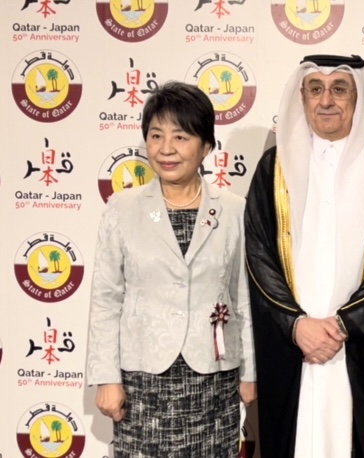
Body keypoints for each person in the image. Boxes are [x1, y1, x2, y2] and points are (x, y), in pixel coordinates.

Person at [244, 54, 364, 458]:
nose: (327, 101)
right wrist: (296, 325)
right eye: (315, 89)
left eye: (340, 89)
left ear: (358, 99)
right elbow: (258, 255)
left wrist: (344, 324)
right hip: (294, 347)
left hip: (361, 345)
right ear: (301, 98)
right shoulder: (274, 167)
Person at [86, 81, 256, 458]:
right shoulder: (122, 208)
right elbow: (106, 298)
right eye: (156, 135)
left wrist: (250, 372)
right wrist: (106, 378)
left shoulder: (234, 210)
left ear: (206, 146)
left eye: (180, 137)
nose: (166, 149)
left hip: (212, 379)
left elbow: (242, 293)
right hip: (142, 380)